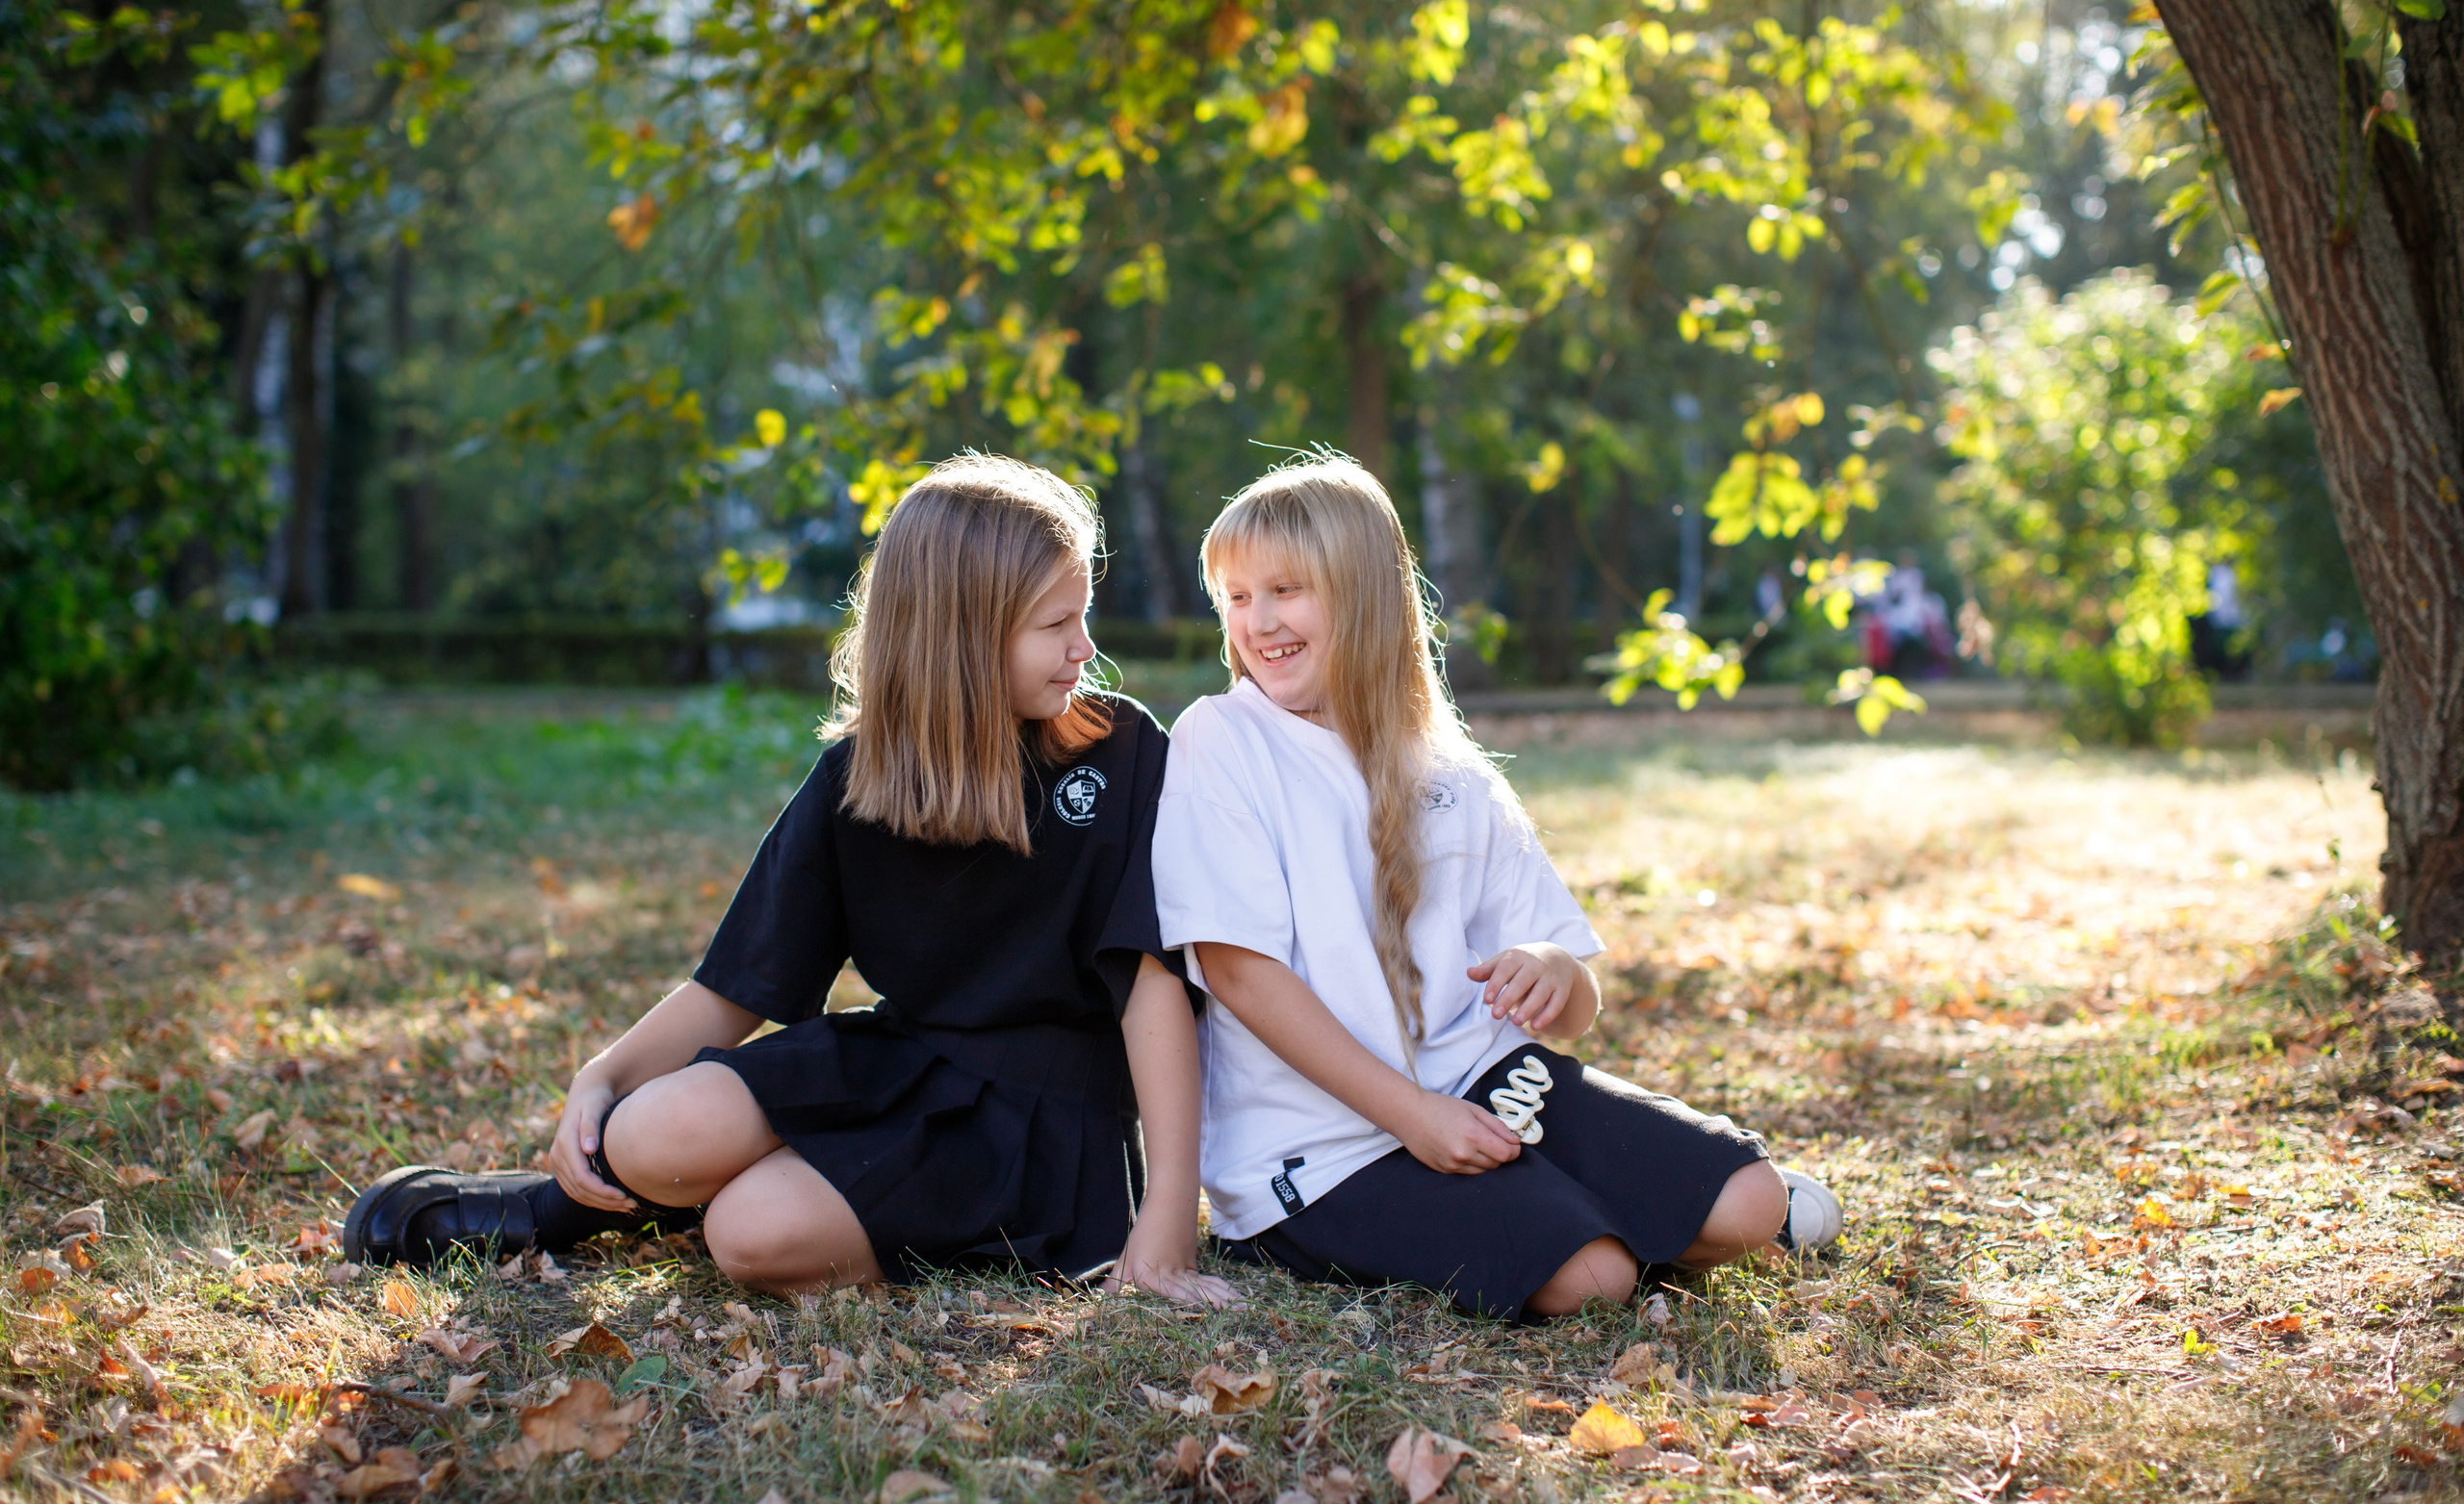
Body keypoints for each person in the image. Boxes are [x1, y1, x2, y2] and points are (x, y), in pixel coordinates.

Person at [342, 455, 1235, 1307]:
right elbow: (739, 984)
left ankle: (723, 1204)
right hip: (901, 1064)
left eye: (1083, 616)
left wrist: (1167, 1218)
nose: (1085, 647)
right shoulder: (863, 777)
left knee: (747, 1233)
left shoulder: (1120, 751)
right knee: (642, 1128)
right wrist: (600, 1075)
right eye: (1055, 625)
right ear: (960, 634)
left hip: (1044, 1120)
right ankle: (570, 1203)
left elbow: (1151, 987)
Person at [1151, 457, 1841, 1321]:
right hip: (1322, 1151)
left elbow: (1572, 1004)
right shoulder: (1223, 738)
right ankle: (1589, 1227)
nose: (1259, 621)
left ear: (1365, 595)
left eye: (1286, 590)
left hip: (1489, 1081)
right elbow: (1238, 971)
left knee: (1753, 1200)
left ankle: (1595, 1213)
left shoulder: (1450, 771)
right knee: (1594, 1279)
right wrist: (1414, 1116)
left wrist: (1553, 968)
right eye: (1238, 596)